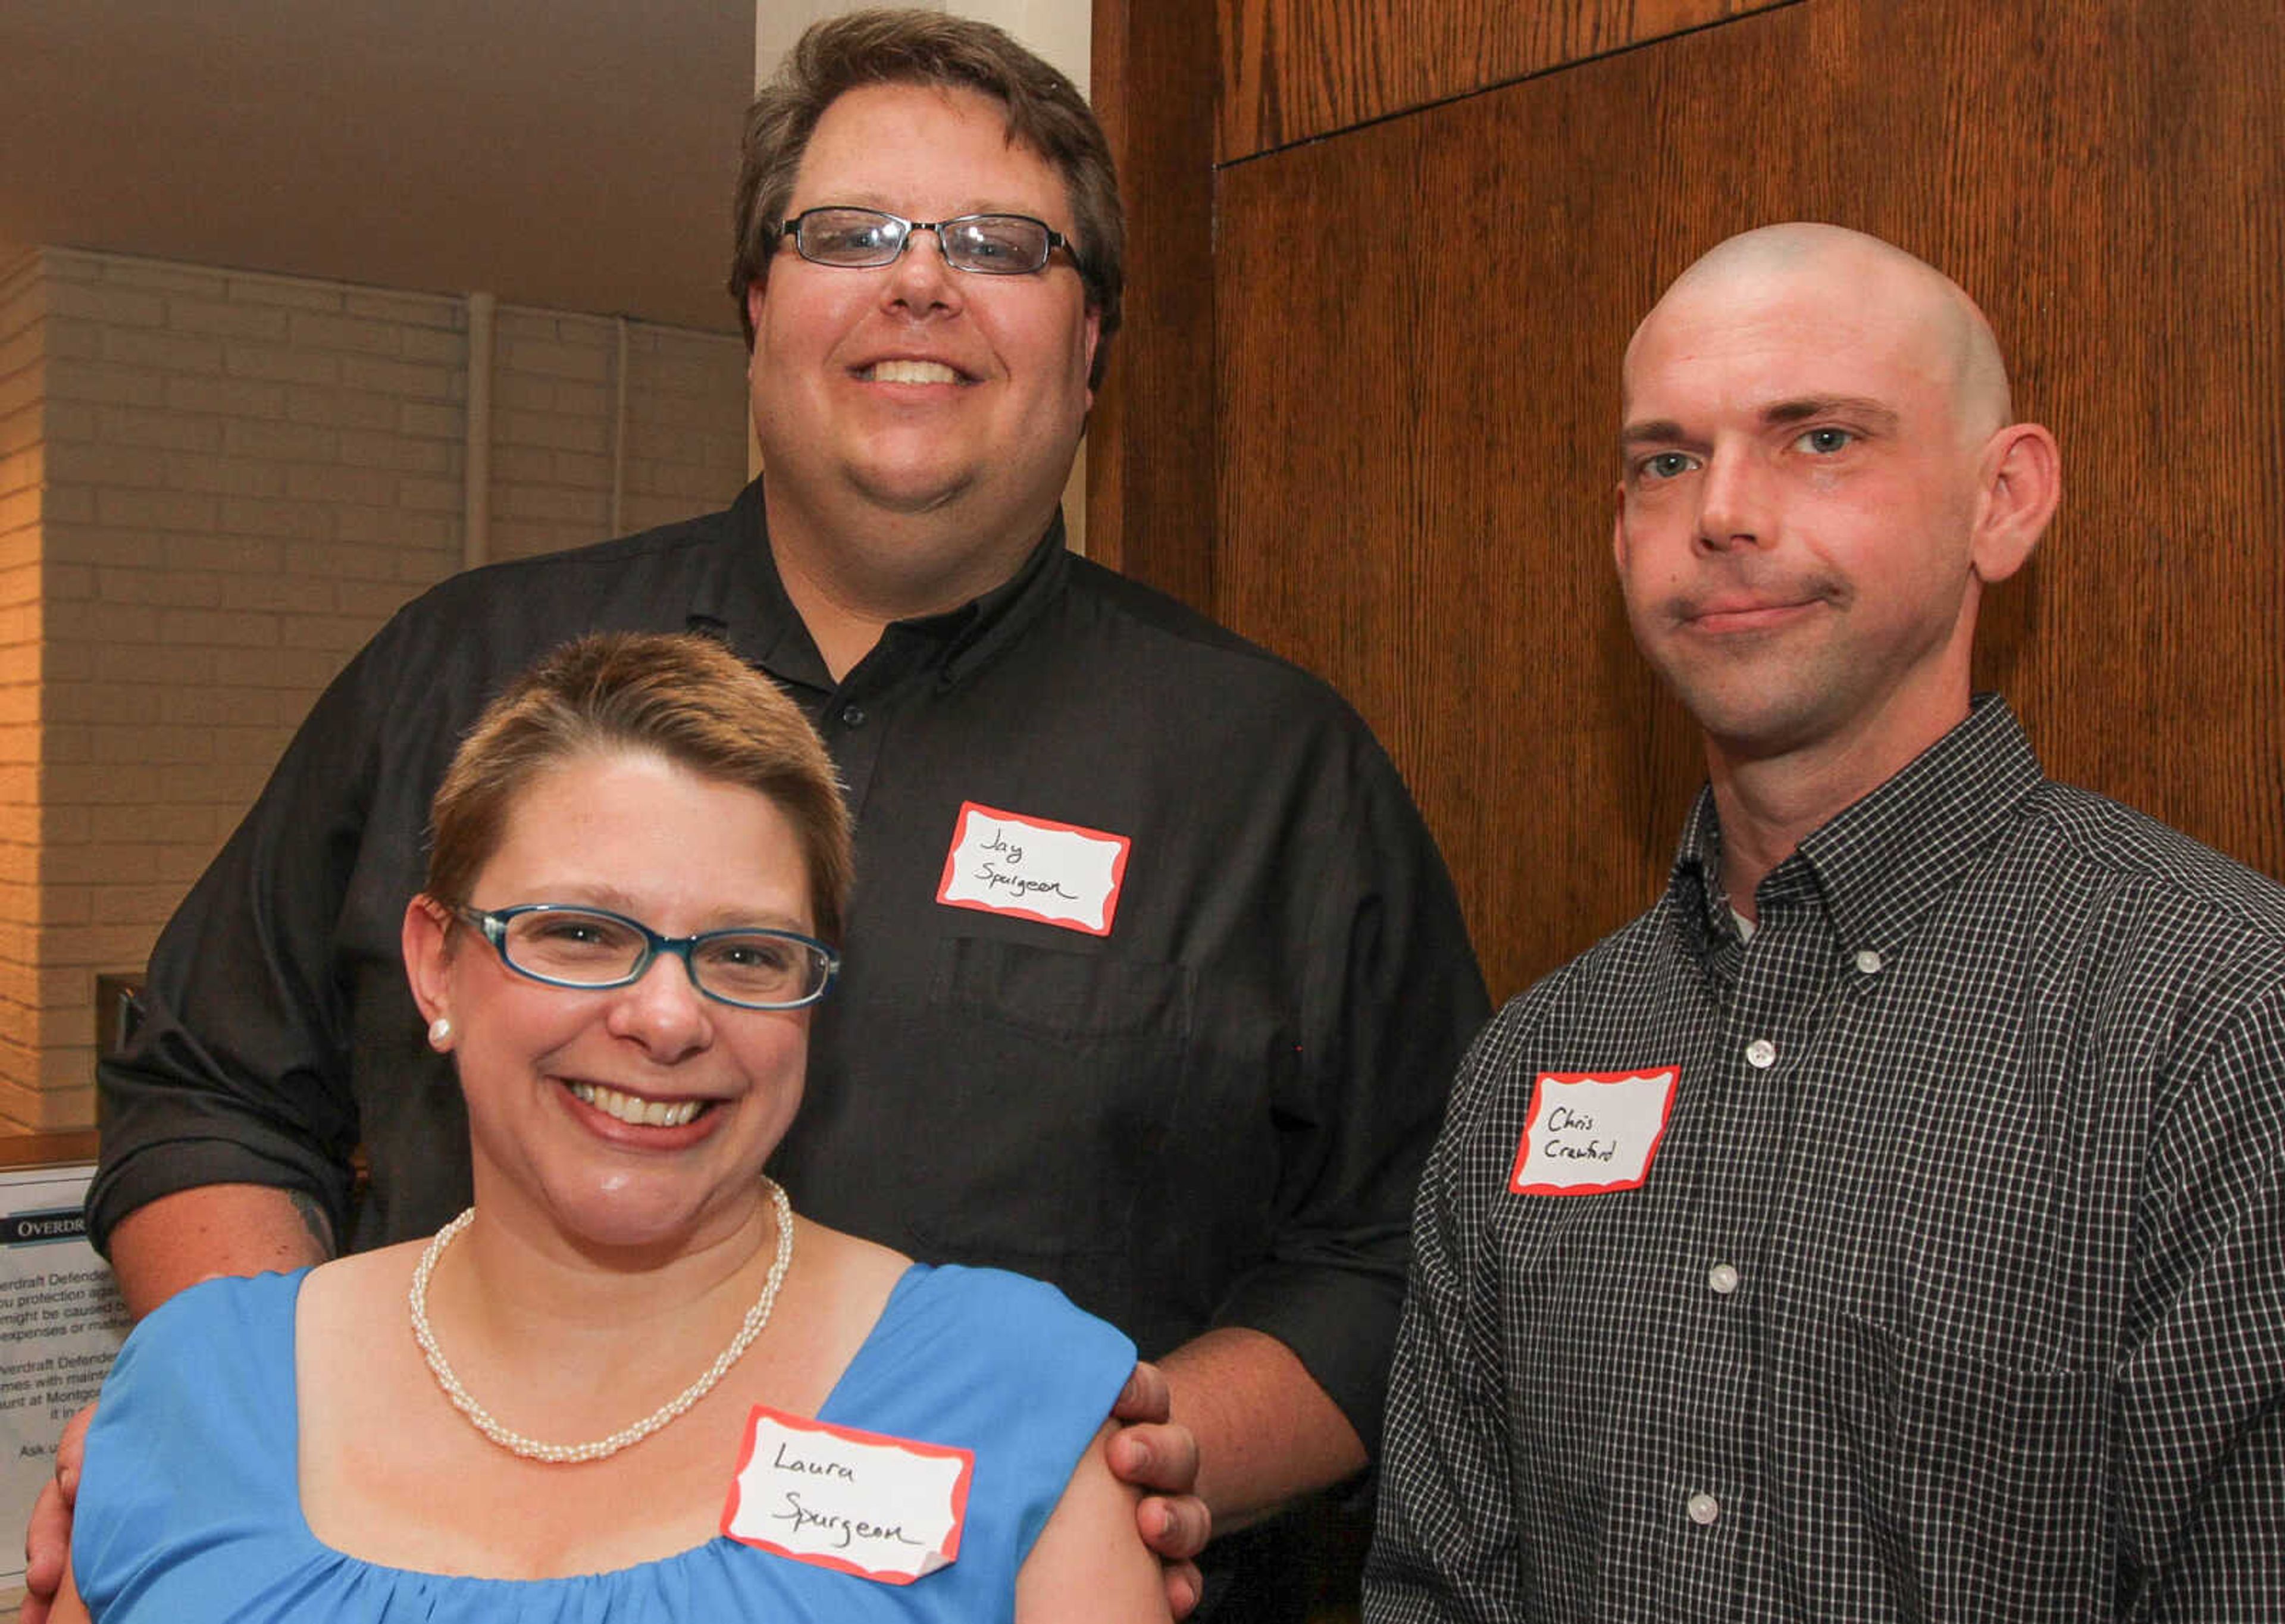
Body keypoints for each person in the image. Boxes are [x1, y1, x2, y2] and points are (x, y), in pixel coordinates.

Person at [35, 9, 1489, 1619]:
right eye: (848, 232)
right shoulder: (465, 673)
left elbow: (1411, 1253)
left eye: (1000, 244)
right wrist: (260, 1435)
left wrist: (1098, 1471)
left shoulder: (1274, 772)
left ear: (1093, 351)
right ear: (755, 306)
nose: (918, 280)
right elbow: (207, 1093)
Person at [1365, 223, 2285, 1618]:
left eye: (1822, 441)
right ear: (1622, 534)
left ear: (2005, 499)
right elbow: (1437, 1592)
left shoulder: (2217, 1018)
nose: (1723, 511)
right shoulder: (1529, 1063)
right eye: (1666, 460)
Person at [54, 631, 1169, 1622]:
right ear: (437, 965)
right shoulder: (194, 1387)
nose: (670, 1018)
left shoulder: (1013, 1404)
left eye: (746, 954)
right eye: (582, 932)